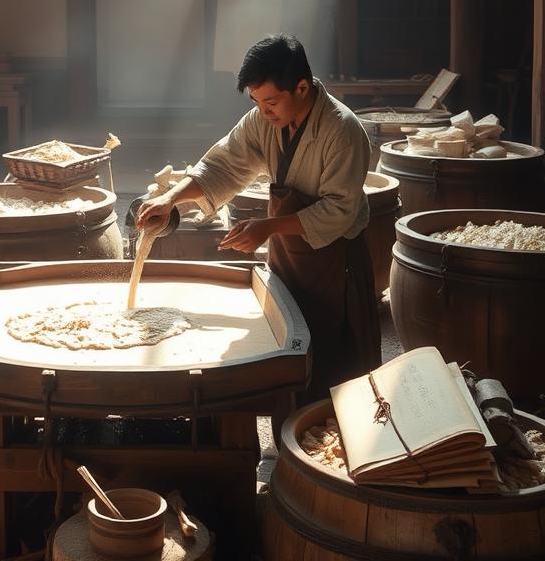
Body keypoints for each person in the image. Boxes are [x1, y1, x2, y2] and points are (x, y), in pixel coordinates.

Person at [136, 35, 381, 405]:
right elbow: (222, 165)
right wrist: (169, 199)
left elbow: (339, 211)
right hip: (288, 255)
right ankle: (287, 444)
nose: (264, 111)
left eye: (270, 101)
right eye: (256, 102)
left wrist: (268, 227)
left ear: (302, 87)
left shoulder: (342, 130)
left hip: (335, 261)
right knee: (288, 355)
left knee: (336, 370)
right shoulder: (263, 120)